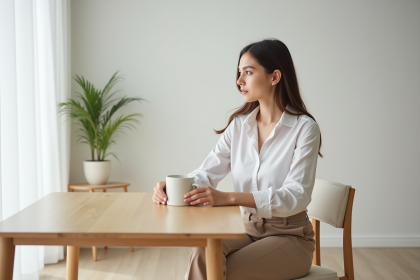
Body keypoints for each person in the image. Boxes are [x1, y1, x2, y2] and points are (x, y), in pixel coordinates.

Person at [152, 38, 323, 280]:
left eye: (248, 72)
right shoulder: (239, 126)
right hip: (245, 227)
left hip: (290, 235)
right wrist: (173, 186)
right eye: (239, 72)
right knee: (203, 252)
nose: (239, 81)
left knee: (217, 271)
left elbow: (297, 195)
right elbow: (207, 172)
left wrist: (229, 198)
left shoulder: (305, 128)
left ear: (275, 77)